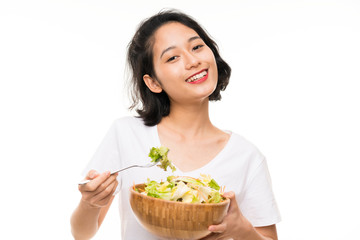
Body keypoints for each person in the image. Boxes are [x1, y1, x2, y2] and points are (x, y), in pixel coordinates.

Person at [71, 9, 281, 240]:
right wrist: (90, 203)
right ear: (153, 82)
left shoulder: (246, 156)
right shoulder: (126, 134)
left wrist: (242, 229)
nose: (193, 61)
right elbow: (82, 234)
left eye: (197, 47)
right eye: (172, 57)